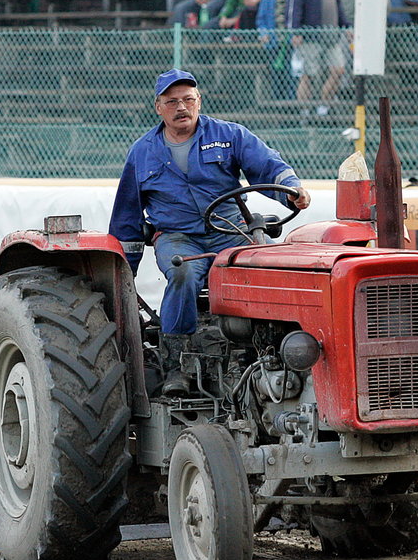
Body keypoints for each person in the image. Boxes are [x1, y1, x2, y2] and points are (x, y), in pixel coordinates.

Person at [108, 69, 311, 394]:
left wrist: (290, 188)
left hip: (230, 230)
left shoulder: (230, 135)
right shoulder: (142, 152)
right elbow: (127, 219)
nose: (181, 107)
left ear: (199, 101)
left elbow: (268, 165)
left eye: (188, 99)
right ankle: (176, 365)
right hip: (177, 236)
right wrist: (122, 279)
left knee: (267, 270)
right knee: (183, 272)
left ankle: (266, 354)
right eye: (172, 101)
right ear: (158, 107)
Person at [256, 0, 322, 100]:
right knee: (276, 76)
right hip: (274, 44)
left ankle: (291, 103)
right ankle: (277, 103)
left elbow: (295, 14)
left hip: (290, 44)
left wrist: (294, 34)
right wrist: (264, 33)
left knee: (292, 75)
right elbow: (261, 20)